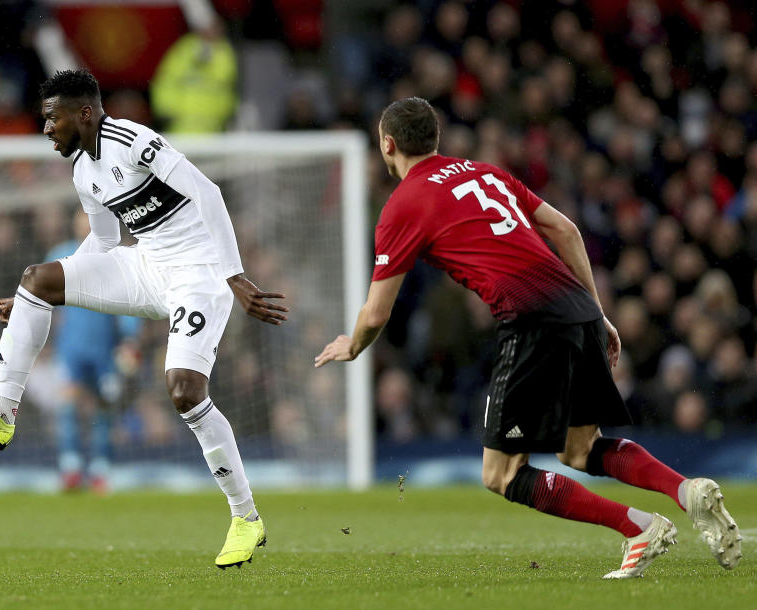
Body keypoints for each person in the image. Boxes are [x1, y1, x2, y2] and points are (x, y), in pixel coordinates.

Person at [315, 97, 741, 579]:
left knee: (501, 474)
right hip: (578, 308)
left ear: (387, 145)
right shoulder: (484, 172)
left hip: (531, 320)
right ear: (434, 139)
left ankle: (639, 527)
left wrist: (353, 345)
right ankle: (687, 492)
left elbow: (376, 312)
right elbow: (567, 230)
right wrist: (598, 315)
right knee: (580, 449)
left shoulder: (403, 204)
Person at [0, 69, 288, 569]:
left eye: (52, 118)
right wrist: (43, 295)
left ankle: (246, 517)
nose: (46, 129)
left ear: (84, 113)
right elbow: (102, 243)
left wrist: (234, 276)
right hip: (146, 265)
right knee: (37, 278)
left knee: (185, 389)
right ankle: (1, 412)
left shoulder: (131, 140)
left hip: (200, 272)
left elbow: (207, 193)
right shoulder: (83, 170)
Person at [45, 211, 143, 494]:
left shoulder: (117, 258)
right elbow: (44, 302)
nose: (86, 224)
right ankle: (71, 467)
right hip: (71, 348)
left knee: (105, 407)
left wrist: (129, 339)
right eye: (81, 219)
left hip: (105, 350)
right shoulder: (61, 254)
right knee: (67, 405)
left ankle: (100, 469)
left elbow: (130, 301)